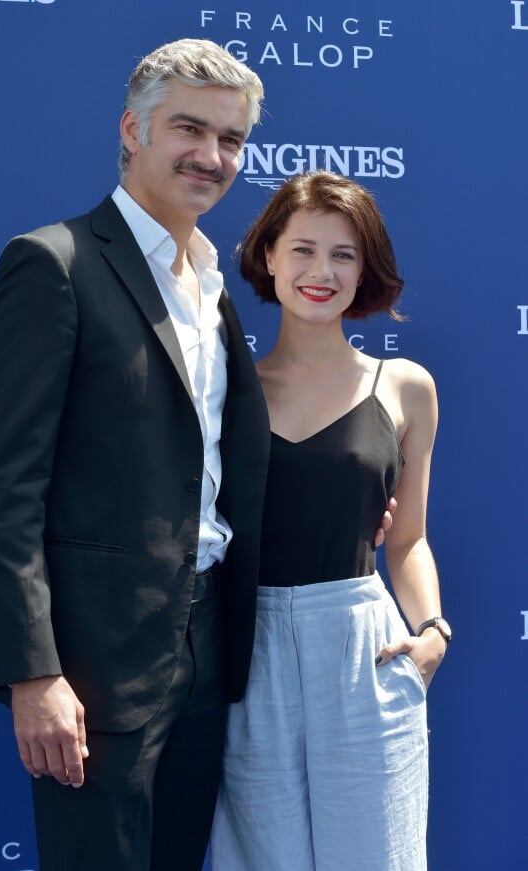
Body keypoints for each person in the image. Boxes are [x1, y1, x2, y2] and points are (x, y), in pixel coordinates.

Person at [0, 41, 393, 871]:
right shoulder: (54, 264)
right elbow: (3, 488)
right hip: (92, 665)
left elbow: (229, 461)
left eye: (231, 139)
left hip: (212, 648)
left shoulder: (213, 281)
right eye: (189, 129)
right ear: (133, 129)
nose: (212, 156)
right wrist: (33, 673)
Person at [210, 171, 450, 871]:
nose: (322, 271)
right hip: (247, 651)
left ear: (365, 268)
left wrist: (432, 632)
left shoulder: (407, 388)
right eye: (304, 249)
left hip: (362, 647)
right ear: (268, 257)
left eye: (344, 254)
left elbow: (407, 540)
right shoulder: (223, 391)